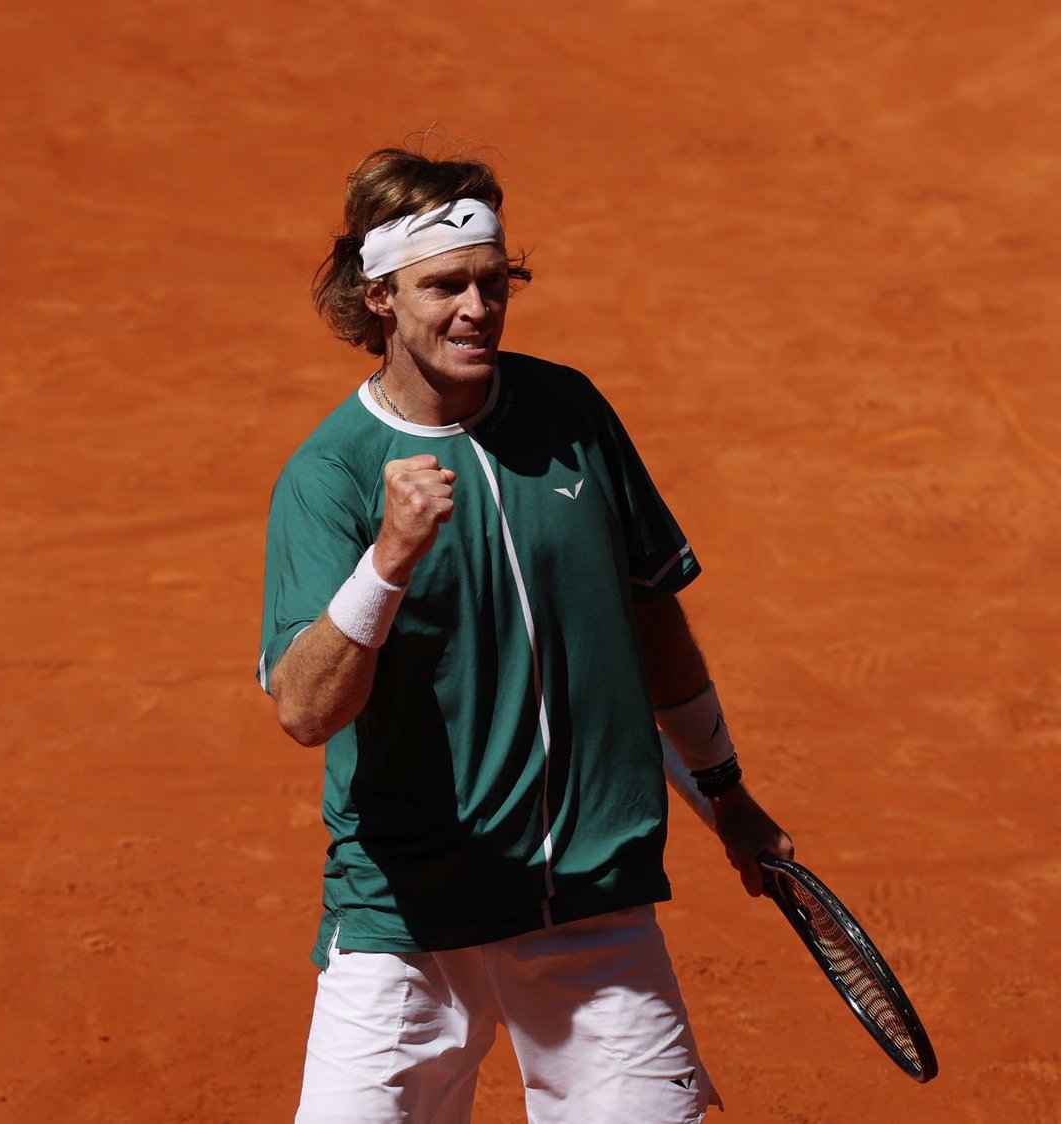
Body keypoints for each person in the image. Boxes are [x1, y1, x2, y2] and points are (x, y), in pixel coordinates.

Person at [258, 145, 794, 1124]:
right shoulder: (329, 476)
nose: (477, 308)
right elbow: (302, 706)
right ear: (378, 294)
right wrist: (387, 559)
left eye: (492, 282)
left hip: (589, 906)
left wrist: (727, 793)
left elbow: (651, 612)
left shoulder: (570, 414)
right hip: (406, 920)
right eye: (445, 286)